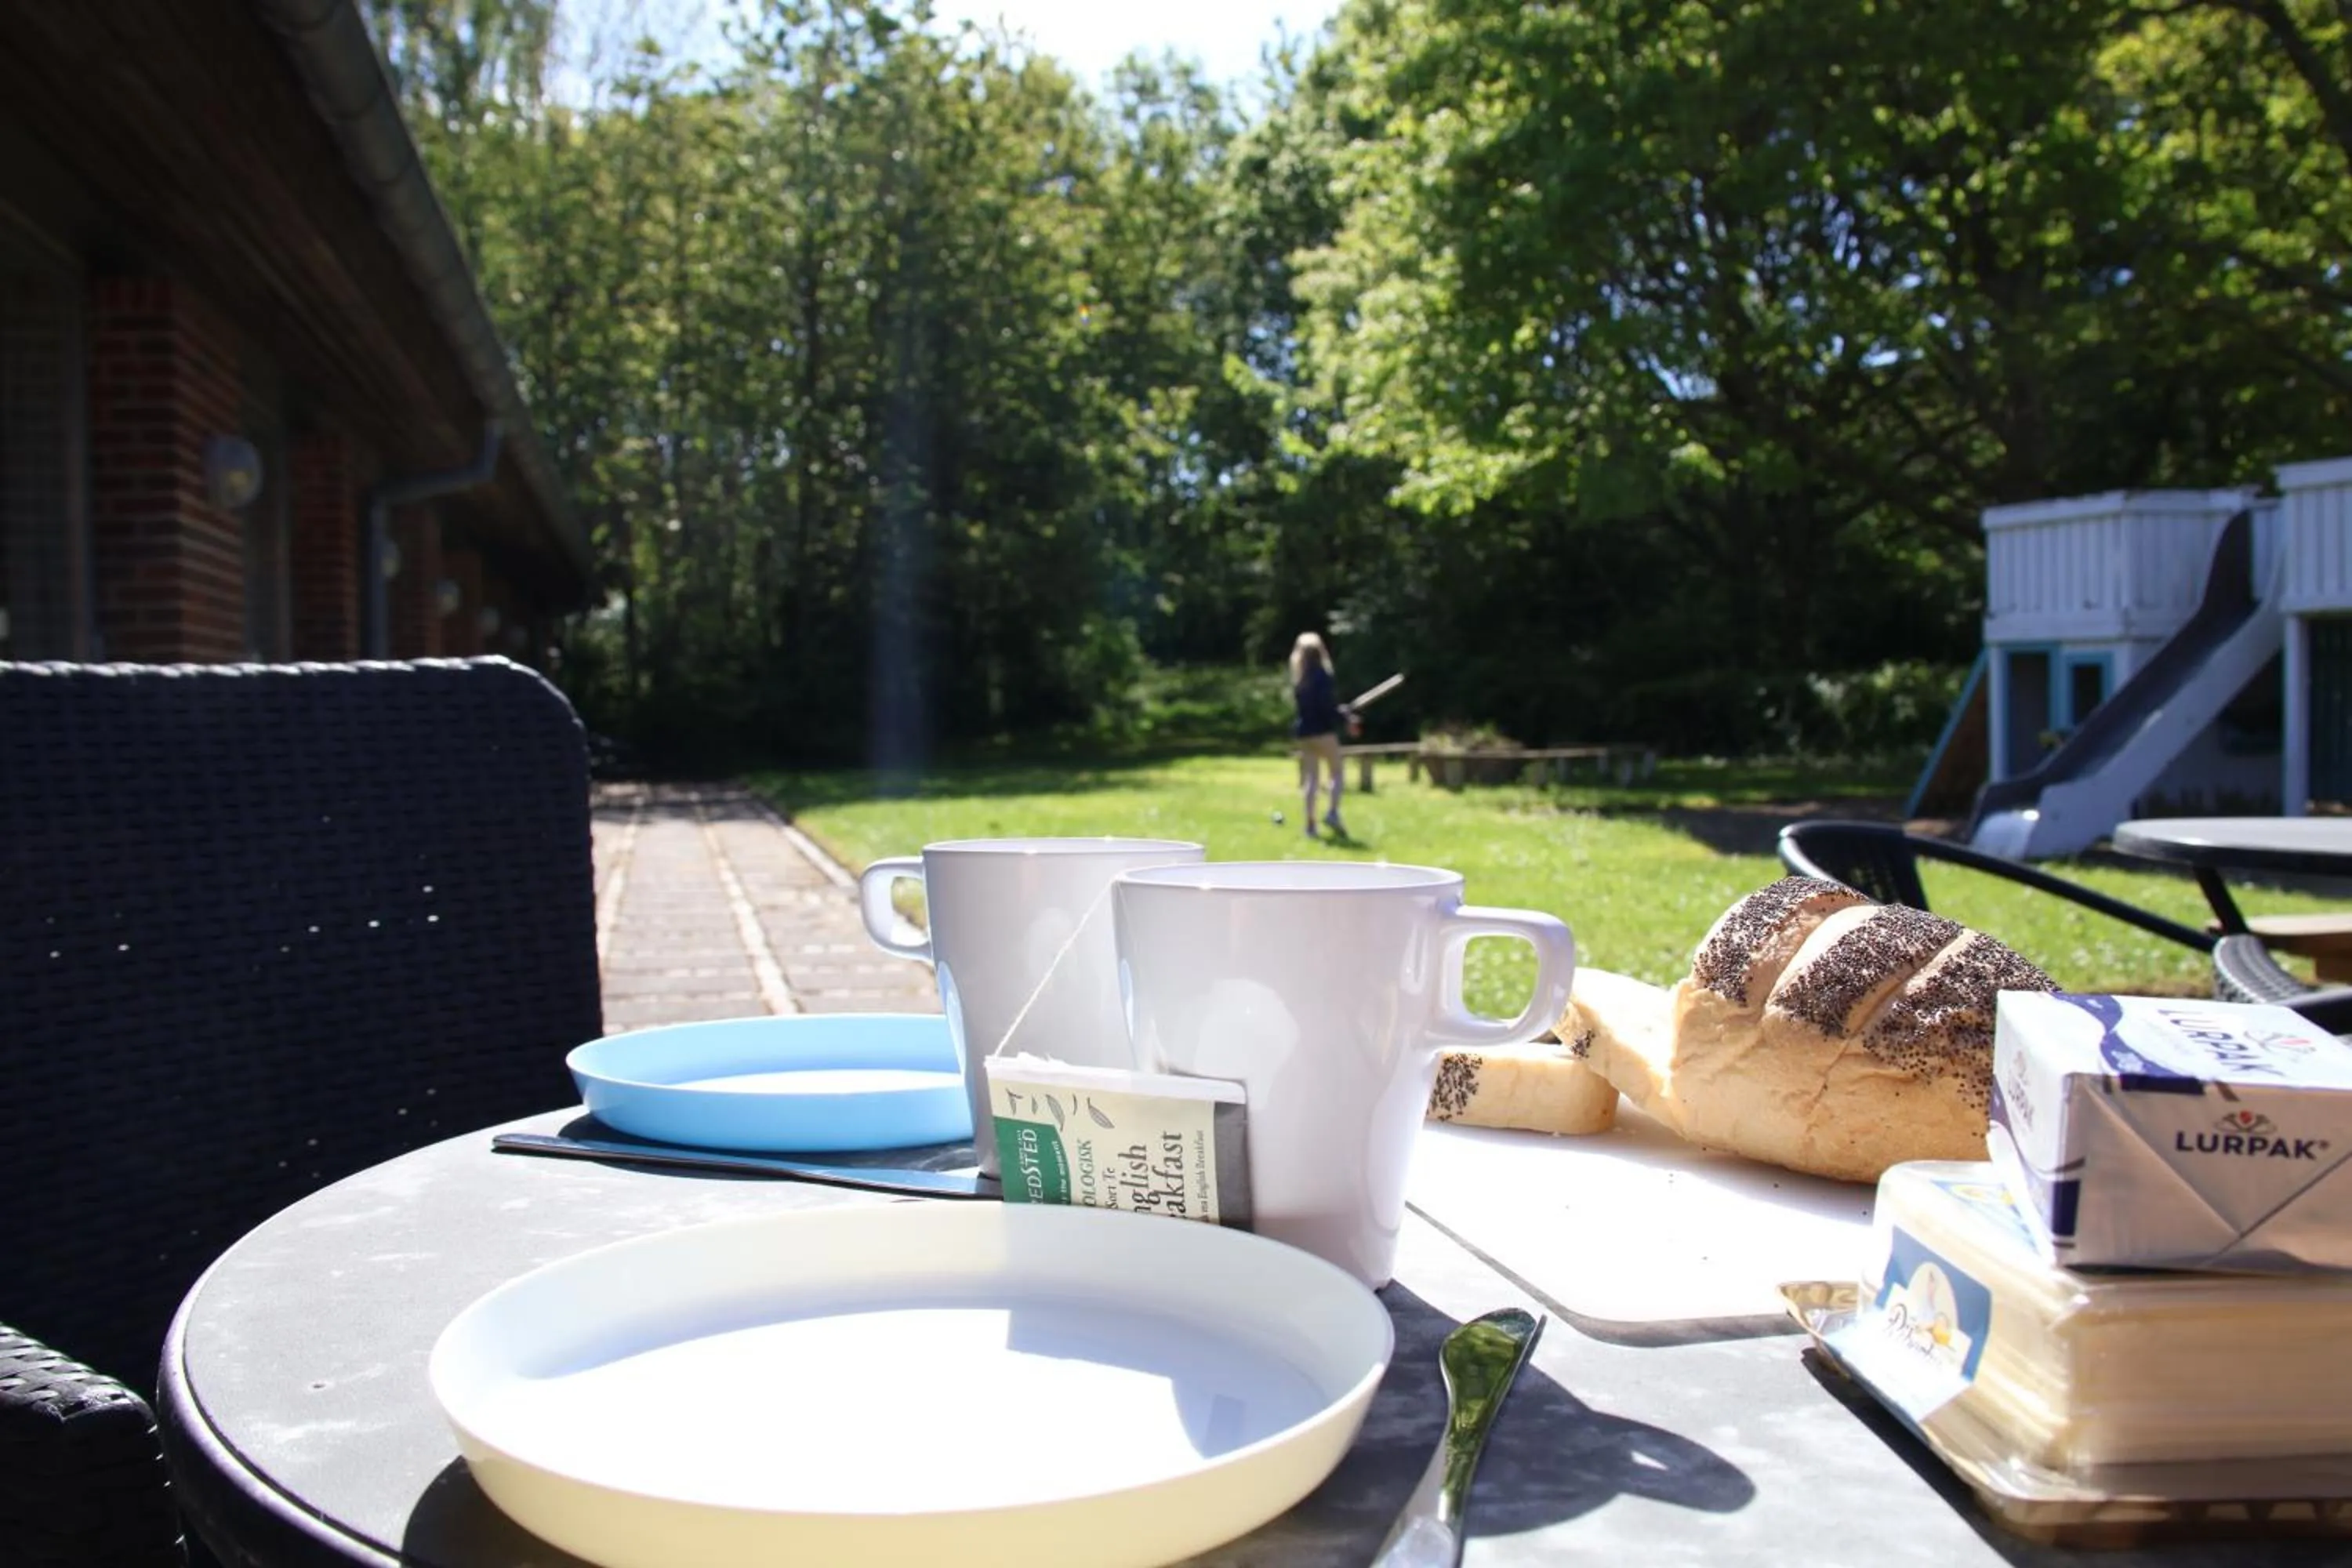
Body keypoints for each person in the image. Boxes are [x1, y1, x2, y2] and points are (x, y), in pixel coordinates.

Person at [1290, 632, 1349, 838]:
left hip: (1304, 733)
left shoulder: (1300, 679)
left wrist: (1341, 713)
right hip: (1323, 732)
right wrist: (1344, 716)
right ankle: (1332, 812)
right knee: (1337, 772)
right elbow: (1327, 708)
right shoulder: (1323, 676)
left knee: (1312, 779)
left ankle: (1310, 825)